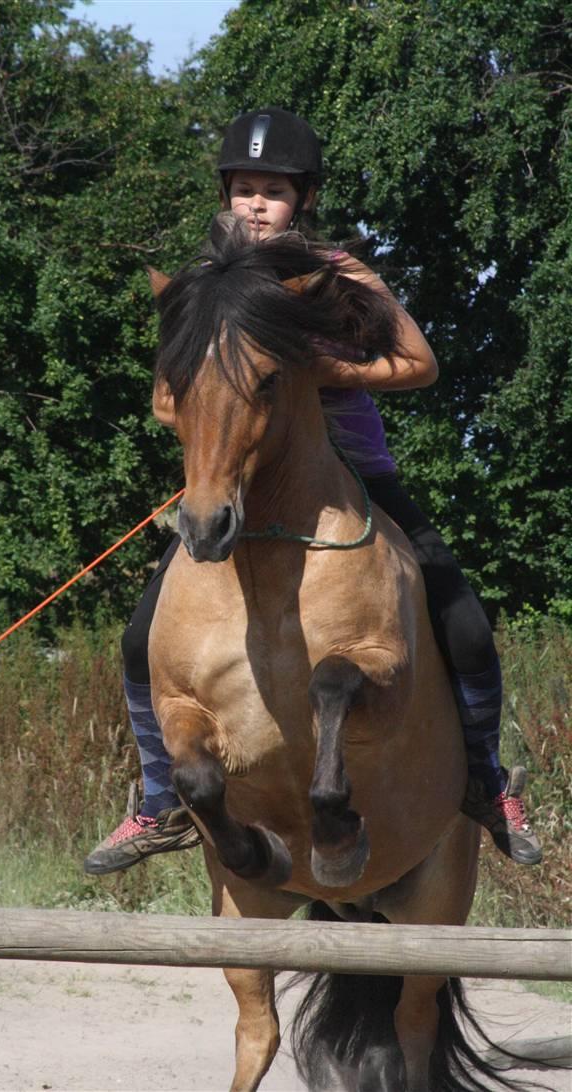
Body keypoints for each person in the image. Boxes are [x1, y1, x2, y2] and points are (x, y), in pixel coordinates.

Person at [83, 107, 541, 876]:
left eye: (274, 191)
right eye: (245, 189)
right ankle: (159, 800)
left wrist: (325, 373)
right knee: (138, 640)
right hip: (233, 485)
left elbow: (420, 366)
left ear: (303, 199)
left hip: (356, 475)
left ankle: (489, 787)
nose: (257, 204)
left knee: (462, 618)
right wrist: (215, 434)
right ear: (226, 194)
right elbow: (167, 401)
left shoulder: (335, 275)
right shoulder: (200, 289)